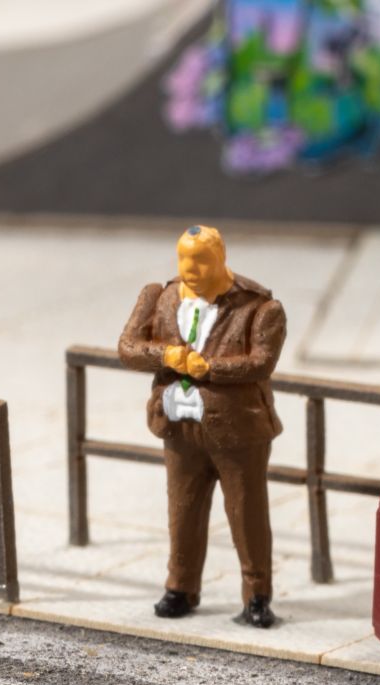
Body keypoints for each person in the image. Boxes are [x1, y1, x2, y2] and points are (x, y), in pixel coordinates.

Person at [117, 226, 284, 629]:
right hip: (179, 425)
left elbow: (261, 362)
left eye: (201, 260)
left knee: (246, 515)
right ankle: (180, 587)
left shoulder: (259, 307)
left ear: (221, 258)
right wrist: (166, 355)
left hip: (238, 430)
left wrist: (210, 368)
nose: (190, 268)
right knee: (182, 511)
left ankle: (257, 595)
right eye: (184, 258)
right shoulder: (159, 296)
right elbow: (128, 347)